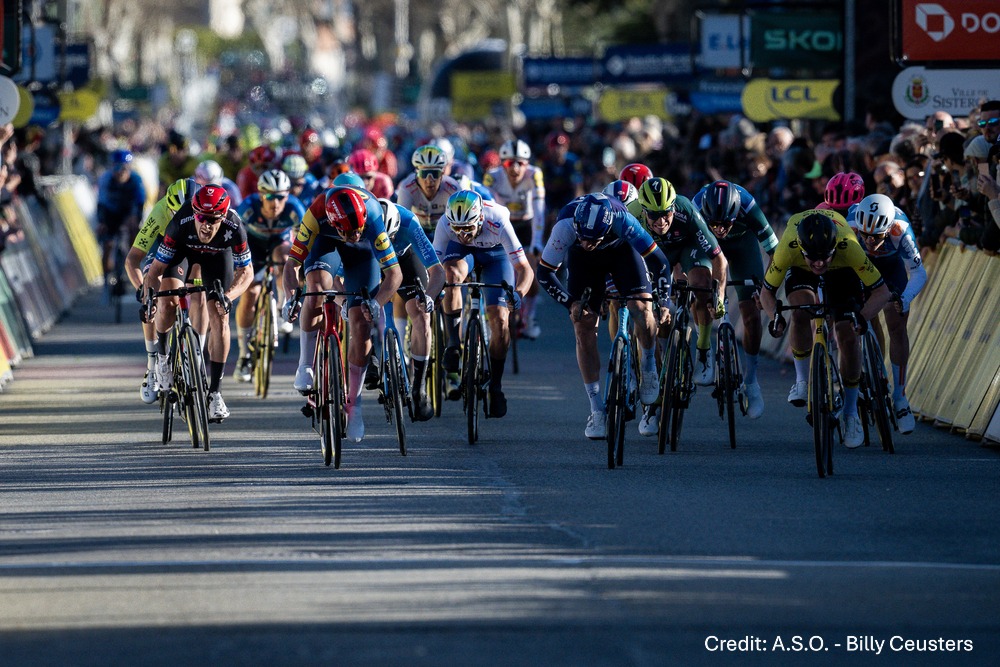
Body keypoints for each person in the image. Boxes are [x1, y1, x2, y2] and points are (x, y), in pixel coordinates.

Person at [537, 193, 671, 439]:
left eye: (593, 239)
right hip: (583, 263)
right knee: (582, 324)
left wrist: (663, 301)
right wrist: (571, 303)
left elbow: (659, 262)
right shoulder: (565, 226)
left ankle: (649, 365)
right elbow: (544, 274)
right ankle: (596, 408)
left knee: (642, 308)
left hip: (621, 251)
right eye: (583, 237)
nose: (587, 243)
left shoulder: (624, 221)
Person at [759, 210, 891, 449]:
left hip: (842, 270)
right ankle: (801, 381)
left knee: (847, 333)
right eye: (813, 257)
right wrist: (775, 317)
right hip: (801, 271)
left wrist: (861, 317)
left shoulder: (848, 245)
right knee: (800, 310)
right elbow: (766, 292)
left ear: (833, 248)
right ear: (801, 247)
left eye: (824, 257)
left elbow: (882, 292)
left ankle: (851, 413)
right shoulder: (789, 247)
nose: (819, 263)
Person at [282, 186, 403, 443]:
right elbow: (291, 265)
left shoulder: (371, 216)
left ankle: (355, 405)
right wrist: (291, 296)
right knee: (315, 288)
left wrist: (377, 303)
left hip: (363, 255)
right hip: (326, 245)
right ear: (335, 223)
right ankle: (305, 364)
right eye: (349, 231)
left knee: (361, 323)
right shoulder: (315, 213)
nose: (355, 234)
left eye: (358, 229)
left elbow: (395, 274)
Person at [144, 186, 253, 421]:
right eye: (201, 217)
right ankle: (162, 359)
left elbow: (246, 272)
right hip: (182, 252)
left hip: (217, 257)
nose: (206, 224)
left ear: (223, 217)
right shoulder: (181, 222)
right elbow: (156, 271)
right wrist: (150, 297)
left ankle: (215, 393)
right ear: (194, 212)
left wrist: (229, 296)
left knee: (220, 314)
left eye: (213, 219)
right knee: (167, 299)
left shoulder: (234, 226)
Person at [432, 190, 534, 418]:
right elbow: (435, 269)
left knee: (499, 319)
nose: (462, 234)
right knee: (450, 275)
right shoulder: (445, 224)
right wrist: (435, 293)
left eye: (467, 228)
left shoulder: (497, 219)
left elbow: (524, 269)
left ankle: (496, 386)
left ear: (479, 219)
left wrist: (518, 294)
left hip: (495, 256)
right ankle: (453, 342)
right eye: (456, 229)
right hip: (461, 255)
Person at [691, 180, 779, 419]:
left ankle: (751, 381)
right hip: (707, 247)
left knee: (751, 314)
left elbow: (775, 252)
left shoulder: (748, 205)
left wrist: (767, 289)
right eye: (715, 224)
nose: (719, 229)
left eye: (725, 223)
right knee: (699, 293)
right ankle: (705, 351)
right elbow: (684, 249)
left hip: (742, 245)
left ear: (736, 213)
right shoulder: (696, 206)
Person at [847, 193, 926, 434]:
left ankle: (900, 397)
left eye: (876, 236)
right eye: (866, 235)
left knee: (897, 323)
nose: (870, 241)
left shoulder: (900, 228)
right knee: (863, 316)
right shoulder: (850, 225)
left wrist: (904, 298)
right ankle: (872, 372)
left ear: (888, 228)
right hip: (860, 268)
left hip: (892, 269)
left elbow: (919, 273)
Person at [637, 177, 728, 383]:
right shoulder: (634, 215)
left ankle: (703, 350)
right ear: (643, 211)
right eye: (654, 216)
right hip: (655, 253)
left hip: (687, 248)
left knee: (702, 287)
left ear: (673, 208)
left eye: (666, 214)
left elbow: (718, 259)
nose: (661, 222)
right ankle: (661, 351)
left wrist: (719, 296)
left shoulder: (685, 209)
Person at [125, 177, 200, 404]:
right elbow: (133, 259)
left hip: (191, 249)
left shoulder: (205, 212)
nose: (181, 219)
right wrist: (142, 289)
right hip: (162, 251)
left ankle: (195, 351)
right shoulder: (158, 214)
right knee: (158, 297)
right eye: (175, 213)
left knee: (197, 290)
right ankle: (153, 363)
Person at [233, 169, 306, 381]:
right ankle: (244, 355)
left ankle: (283, 305)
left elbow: (303, 243)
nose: (275, 203)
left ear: (287, 195)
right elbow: (234, 238)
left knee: (285, 258)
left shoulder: (295, 208)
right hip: (252, 247)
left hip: (279, 244)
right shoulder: (247, 207)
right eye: (270, 196)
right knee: (251, 295)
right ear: (261, 195)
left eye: (281, 196)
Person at [378, 198, 446, 420]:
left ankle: (419, 385)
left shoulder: (409, 222)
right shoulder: (364, 225)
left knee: (421, 315)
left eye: (392, 238)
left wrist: (429, 297)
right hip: (374, 263)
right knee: (359, 308)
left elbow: (437, 270)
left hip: (406, 260)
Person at [482, 139, 546, 340]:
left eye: (521, 163)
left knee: (531, 269)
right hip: (502, 225)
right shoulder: (492, 177)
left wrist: (537, 241)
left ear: (527, 164)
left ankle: (530, 317)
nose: (515, 168)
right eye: (510, 163)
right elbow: (486, 208)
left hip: (526, 225)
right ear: (502, 163)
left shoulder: (535, 175)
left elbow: (539, 210)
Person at [97, 149, 147, 290]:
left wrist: (136, 221)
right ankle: (106, 279)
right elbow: (100, 204)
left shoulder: (136, 179)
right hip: (110, 213)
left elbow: (140, 203)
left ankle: (131, 263)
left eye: (125, 168)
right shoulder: (106, 179)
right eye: (117, 168)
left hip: (128, 212)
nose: (121, 172)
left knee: (134, 233)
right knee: (108, 245)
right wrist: (101, 222)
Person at [395, 145, 462, 233]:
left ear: (442, 173)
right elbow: (402, 224)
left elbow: (459, 226)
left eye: (435, 173)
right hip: (416, 232)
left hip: (444, 231)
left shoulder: (453, 188)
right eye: (424, 173)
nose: (429, 180)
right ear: (416, 173)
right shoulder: (406, 186)